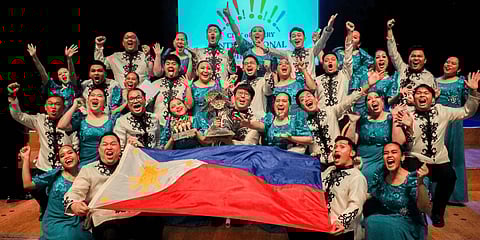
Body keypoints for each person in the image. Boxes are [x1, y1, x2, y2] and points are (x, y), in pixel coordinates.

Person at [393, 72, 480, 227]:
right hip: (416, 158)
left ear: (432, 98)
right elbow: (400, 142)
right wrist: (407, 126)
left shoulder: (442, 111)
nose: (422, 96)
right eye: (418, 93)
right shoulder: (408, 113)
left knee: (450, 177)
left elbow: (467, 111)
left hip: (439, 159)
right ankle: (410, 213)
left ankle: (438, 212)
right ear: (414, 97)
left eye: (426, 93)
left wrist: (473, 92)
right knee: (410, 179)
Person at [64, 132, 159, 240]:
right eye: (105, 144)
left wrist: (140, 149)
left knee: (154, 219)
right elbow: (74, 192)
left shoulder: (129, 165)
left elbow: (152, 171)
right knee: (111, 233)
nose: (109, 147)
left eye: (113, 144)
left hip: (131, 214)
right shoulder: (88, 170)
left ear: (120, 149)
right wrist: (74, 205)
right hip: (104, 218)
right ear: (99, 149)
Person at [8, 84, 78, 219]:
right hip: (44, 168)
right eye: (50, 104)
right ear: (45, 107)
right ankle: (45, 208)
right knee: (35, 189)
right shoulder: (39, 119)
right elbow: (18, 115)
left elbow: (75, 143)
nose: (53, 107)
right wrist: (12, 98)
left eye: (57, 104)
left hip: (64, 169)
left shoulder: (70, 122)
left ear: (63, 108)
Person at [297, 71, 380, 171]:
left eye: (308, 96)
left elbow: (349, 100)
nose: (306, 99)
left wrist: (368, 85)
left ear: (316, 99)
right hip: (317, 166)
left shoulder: (330, 111)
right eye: (302, 99)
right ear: (301, 107)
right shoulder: (303, 125)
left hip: (338, 161)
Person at [289, 136, 367, 240]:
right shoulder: (330, 170)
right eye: (335, 147)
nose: (336, 149)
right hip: (321, 227)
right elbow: (315, 187)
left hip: (341, 231)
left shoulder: (357, 177)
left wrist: (341, 222)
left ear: (352, 153)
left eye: (342, 147)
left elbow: (356, 205)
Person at [19, 144, 93, 240]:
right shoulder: (55, 174)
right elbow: (27, 184)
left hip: (78, 221)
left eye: (70, 152)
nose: (67, 156)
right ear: (60, 161)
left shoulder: (87, 173)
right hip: (55, 221)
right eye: (62, 156)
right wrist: (25, 159)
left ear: (77, 155)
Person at [364, 142, 431, 240]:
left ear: (402, 157)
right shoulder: (381, 175)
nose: (389, 155)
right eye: (386, 153)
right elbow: (370, 194)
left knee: (390, 226)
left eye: (394, 152)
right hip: (386, 218)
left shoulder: (413, 178)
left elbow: (424, 207)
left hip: (409, 224)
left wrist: (420, 183)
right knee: (371, 221)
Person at [435, 56, 469, 203]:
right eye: (447, 62)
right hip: (437, 122)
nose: (448, 65)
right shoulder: (434, 81)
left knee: (455, 158)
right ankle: (434, 193)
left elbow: (469, 102)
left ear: (459, 69)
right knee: (435, 158)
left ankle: (455, 196)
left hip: (454, 124)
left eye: (453, 63)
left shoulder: (462, 82)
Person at [58, 88, 119, 167]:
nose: (95, 97)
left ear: (105, 102)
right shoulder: (81, 119)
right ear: (87, 100)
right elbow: (61, 125)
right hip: (86, 165)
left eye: (99, 96)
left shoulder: (112, 120)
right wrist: (74, 106)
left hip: (108, 163)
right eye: (92, 95)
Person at [240, 92, 312, 153]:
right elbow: (261, 126)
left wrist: (290, 138)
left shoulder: (296, 120)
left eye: (284, 101)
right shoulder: (270, 117)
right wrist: (249, 124)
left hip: (290, 157)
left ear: (289, 106)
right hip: (269, 156)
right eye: (277, 101)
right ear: (274, 105)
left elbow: (309, 140)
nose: (280, 104)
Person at [386, 19, 437, 104]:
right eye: (413, 56)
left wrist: (415, 103)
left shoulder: (429, 77)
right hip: (397, 111)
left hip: (416, 114)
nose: (416, 58)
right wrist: (389, 30)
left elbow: (431, 101)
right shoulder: (402, 67)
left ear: (425, 60)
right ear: (408, 58)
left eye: (419, 56)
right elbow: (393, 52)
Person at [307, 21, 354, 108]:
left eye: (333, 59)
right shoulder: (317, 80)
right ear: (323, 64)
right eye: (326, 60)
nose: (330, 62)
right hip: (324, 118)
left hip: (342, 118)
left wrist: (350, 32)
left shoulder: (344, 74)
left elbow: (348, 57)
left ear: (337, 63)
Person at [223, 3, 277, 79]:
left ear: (264, 36)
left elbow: (275, 73)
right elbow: (237, 33)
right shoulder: (246, 49)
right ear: (250, 36)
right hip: (247, 87)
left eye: (260, 31)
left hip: (264, 88)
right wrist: (229, 16)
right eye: (254, 31)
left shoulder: (271, 53)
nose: (257, 32)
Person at [26, 43, 80, 110]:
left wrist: (69, 59)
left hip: (74, 118)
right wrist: (34, 57)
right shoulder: (54, 88)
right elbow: (43, 73)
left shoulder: (73, 86)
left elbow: (72, 74)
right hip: (57, 118)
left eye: (65, 72)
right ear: (59, 79)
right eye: (60, 74)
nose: (63, 74)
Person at [357, 91, 393, 184]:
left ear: (382, 100)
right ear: (366, 105)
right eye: (369, 99)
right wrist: (352, 123)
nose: (373, 100)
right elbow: (351, 141)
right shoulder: (362, 119)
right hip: (361, 159)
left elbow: (399, 142)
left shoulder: (391, 118)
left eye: (376, 97)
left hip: (380, 159)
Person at [333, 28, 374, 99]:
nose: (351, 39)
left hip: (354, 85)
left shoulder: (361, 54)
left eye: (355, 38)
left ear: (359, 44)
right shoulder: (337, 52)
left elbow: (371, 64)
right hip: (338, 82)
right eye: (350, 36)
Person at [149, 54, 188, 126]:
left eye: (174, 64)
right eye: (168, 63)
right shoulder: (154, 84)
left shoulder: (185, 84)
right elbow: (146, 106)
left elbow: (189, 105)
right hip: (158, 125)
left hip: (180, 126)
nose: (170, 66)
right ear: (163, 67)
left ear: (179, 68)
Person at [233, 55, 273, 120]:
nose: (249, 65)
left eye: (252, 63)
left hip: (258, 120)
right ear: (243, 68)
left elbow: (268, 92)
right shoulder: (240, 84)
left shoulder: (263, 80)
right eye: (246, 64)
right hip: (243, 120)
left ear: (258, 67)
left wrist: (268, 73)